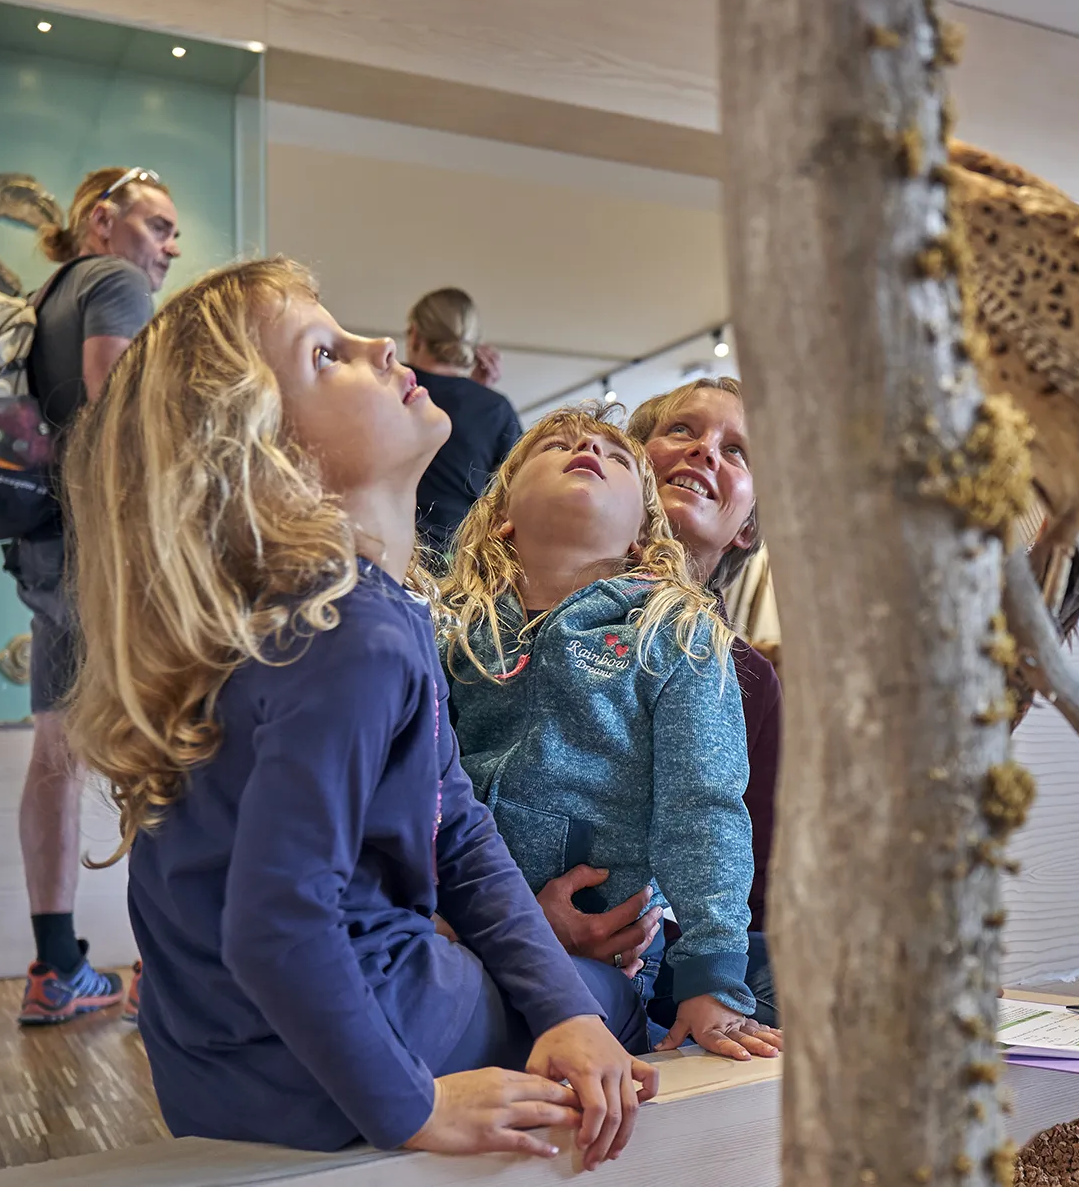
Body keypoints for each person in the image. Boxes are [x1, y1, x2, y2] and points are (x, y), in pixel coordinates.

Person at [62, 258, 655, 1165]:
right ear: (264, 455)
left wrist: (558, 1009)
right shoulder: (353, 631)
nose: (381, 346)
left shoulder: (301, 620)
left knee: (567, 997)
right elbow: (277, 924)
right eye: (327, 354)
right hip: (348, 1055)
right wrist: (415, 1107)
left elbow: (455, 831)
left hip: (215, 1070)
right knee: (622, 998)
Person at [440, 404, 782, 1062]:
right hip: (459, 925)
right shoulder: (452, 633)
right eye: (554, 448)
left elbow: (702, 810)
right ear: (504, 515)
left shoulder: (675, 636)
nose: (586, 450)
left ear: (641, 536)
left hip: (609, 951)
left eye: (617, 457)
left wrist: (711, 977)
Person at [10, 166, 180, 1025]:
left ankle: (56, 967)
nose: (171, 245)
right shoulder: (112, 280)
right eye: (158, 225)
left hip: (44, 552)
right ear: (103, 222)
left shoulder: (46, 299)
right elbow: (121, 414)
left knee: (56, 755)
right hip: (106, 556)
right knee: (168, 751)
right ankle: (176, 968)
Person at [627, 377, 781, 1028]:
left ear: (748, 525)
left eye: (737, 450)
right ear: (631, 460)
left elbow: (758, 888)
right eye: (682, 430)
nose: (705, 452)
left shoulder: (746, 677)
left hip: (689, 950)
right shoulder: (520, 621)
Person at [407, 288, 522, 562]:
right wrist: (477, 394)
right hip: (455, 557)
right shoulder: (494, 408)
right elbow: (516, 487)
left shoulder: (390, 386)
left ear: (414, 335)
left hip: (385, 542)